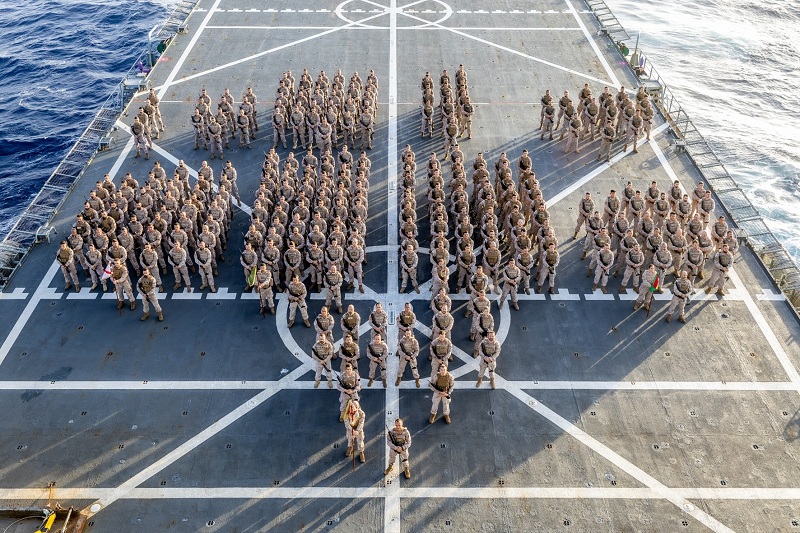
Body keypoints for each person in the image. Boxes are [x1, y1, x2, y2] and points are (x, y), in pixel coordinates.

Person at [344, 399, 366, 464]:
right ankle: (350, 447)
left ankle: (361, 452)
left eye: (355, 407)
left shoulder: (361, 413)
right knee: (350, 439)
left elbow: (361, 423)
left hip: (358, 430)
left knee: (360, 441)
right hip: (350, 429)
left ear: (358, 407)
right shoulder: (347, 413)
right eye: (352, 406)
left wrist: (357, 431)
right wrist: (352, 431)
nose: (353, 409)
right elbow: (346, 423)